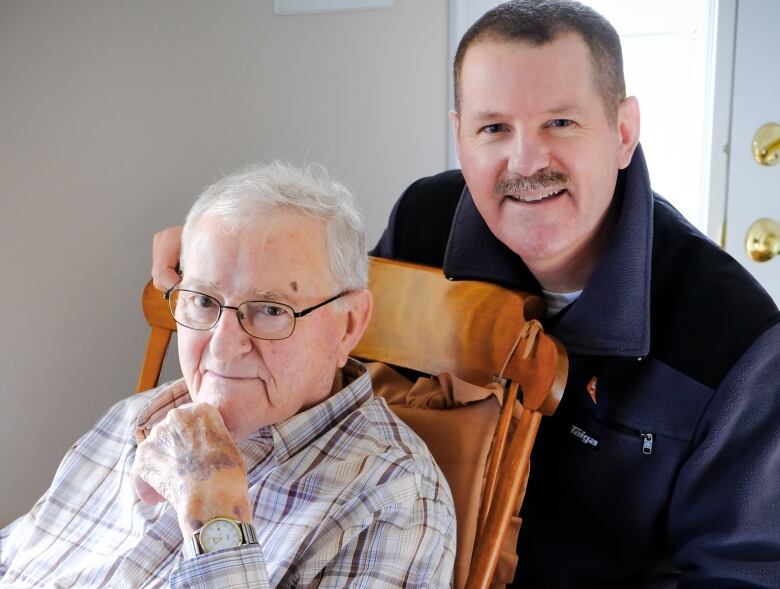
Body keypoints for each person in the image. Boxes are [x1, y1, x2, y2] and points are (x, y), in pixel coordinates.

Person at [151, 1, 780, 587]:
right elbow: (317, 357)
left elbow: (745, 575)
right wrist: (226, 268)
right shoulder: (427, 218)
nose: (527, 161)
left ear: (622, 131)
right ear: (460, 135)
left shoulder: (736, 341)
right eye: (494, 128)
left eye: (560, 122)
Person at [0, 162, 456, 588]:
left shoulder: (392, 499)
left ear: (348, 324)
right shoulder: (133, 419)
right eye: (202, 300)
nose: (221, 346)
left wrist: (216, 517)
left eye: (271, 310)